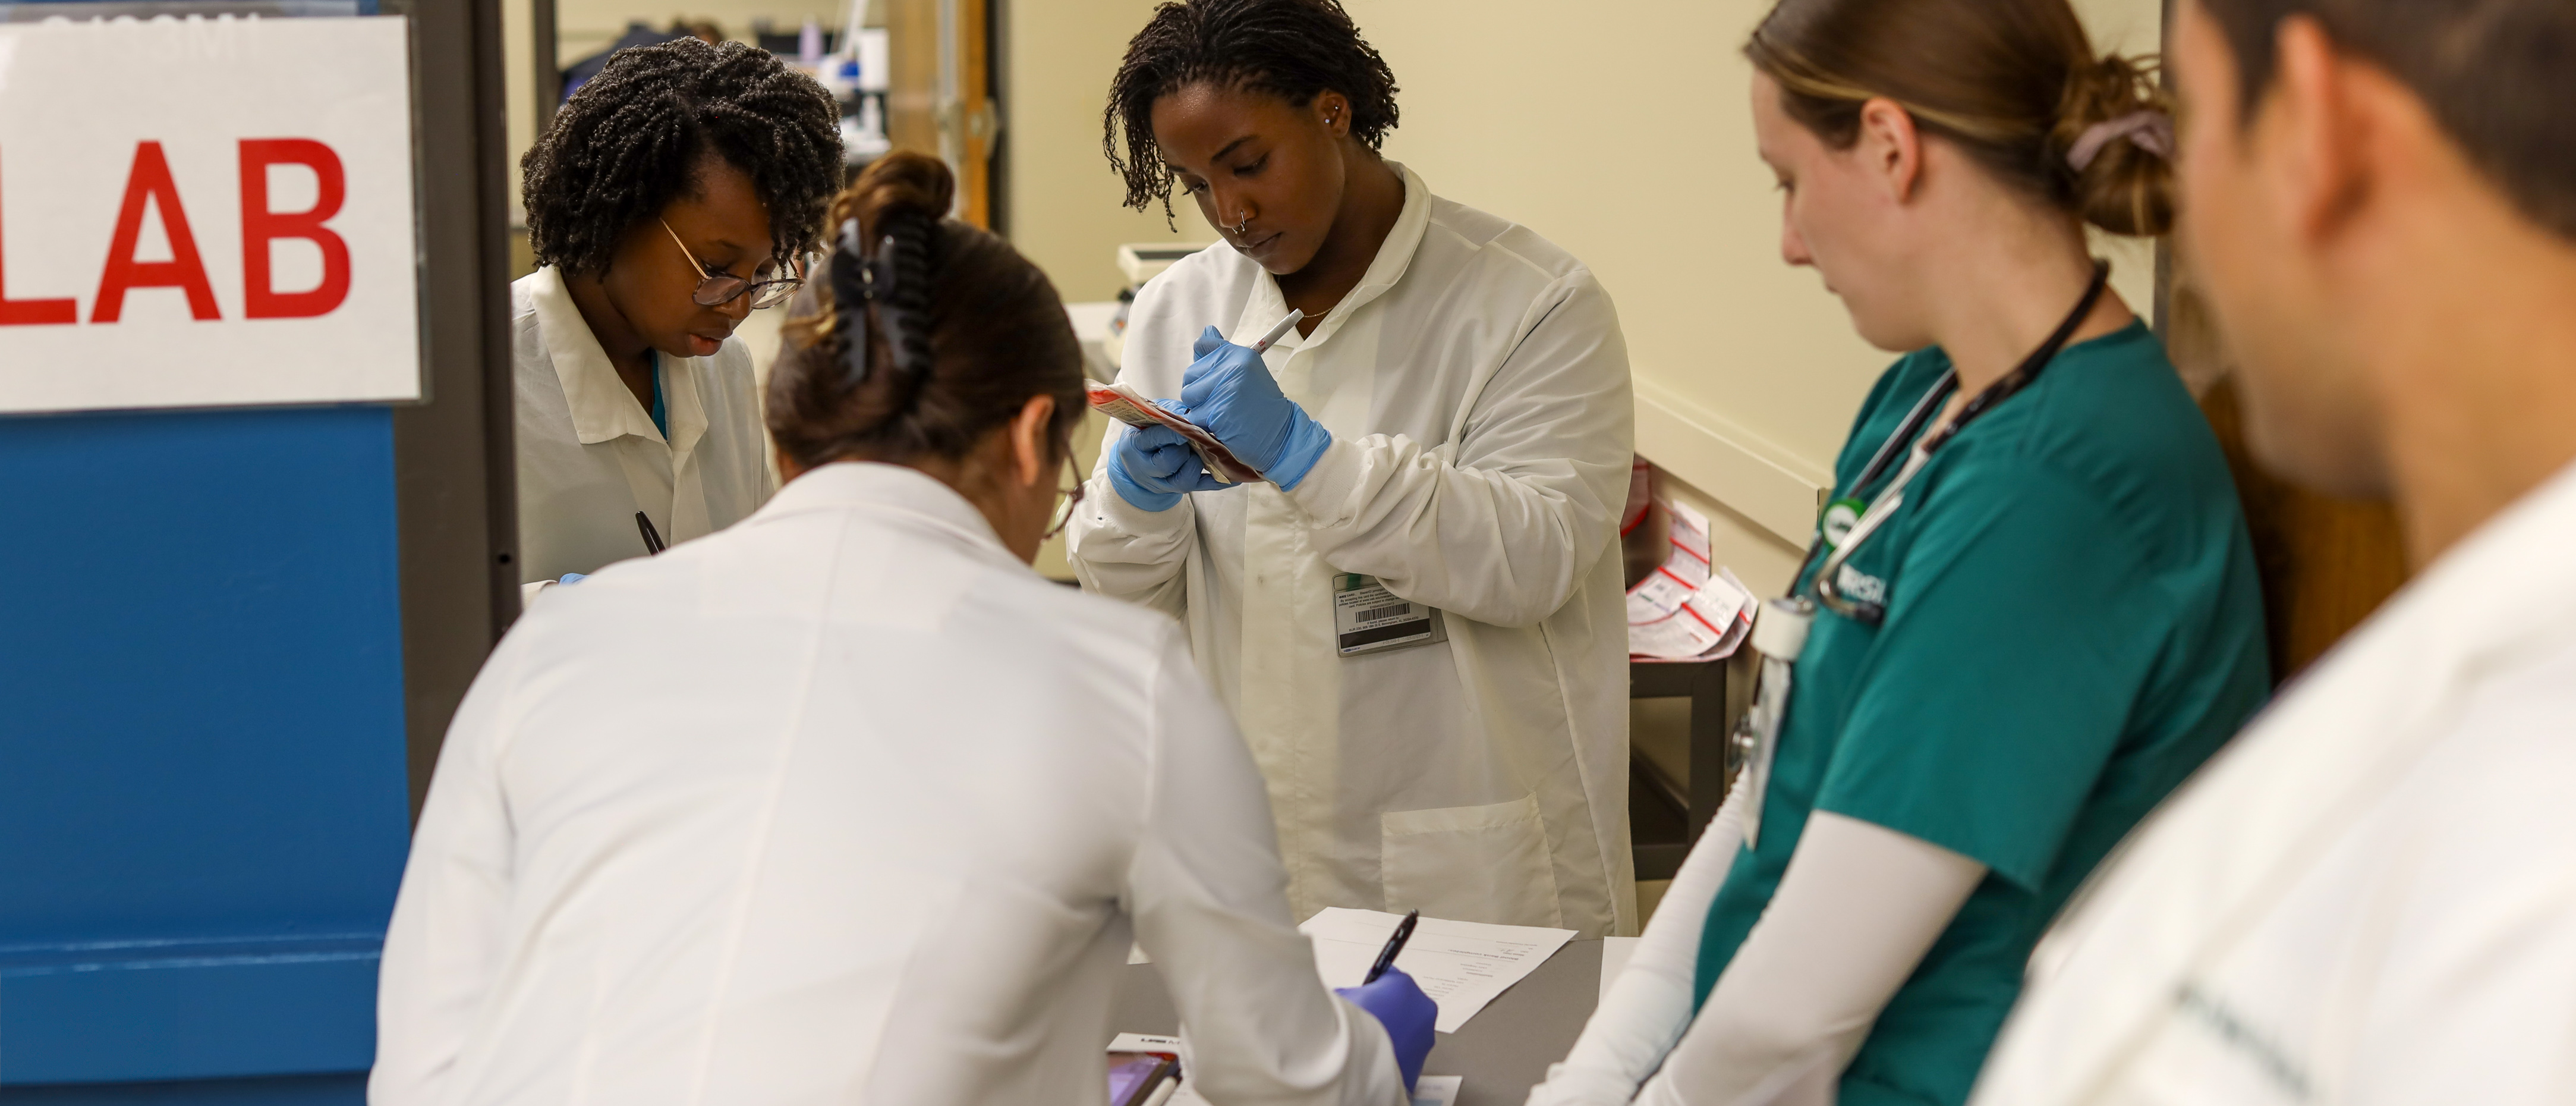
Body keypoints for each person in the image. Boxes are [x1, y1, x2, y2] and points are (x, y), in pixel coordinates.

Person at [371, 152, 1434, 1105]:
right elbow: (1277, 1075)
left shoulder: (551, 648)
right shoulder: (1116, 679)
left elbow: (421, 1067)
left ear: (784, 440)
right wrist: (1375, 1045)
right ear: (1031, 438)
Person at [1529, 1, 2272, 1103]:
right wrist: (1592, 1079)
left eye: (1788, 181)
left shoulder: (2065, 485)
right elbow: (1761, 803)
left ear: (1889, 146)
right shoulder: (1923, 398)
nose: (1788, 242)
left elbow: (1795, 1016)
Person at [1972, 0, 2576, 1101]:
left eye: (2194, 120)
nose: (2183, 213)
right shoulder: (2456, 661)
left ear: (2311, 131)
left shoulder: (2535, 877)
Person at [1067, 0, 1639, 938]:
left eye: (1248, 164)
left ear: (1332, 112)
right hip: (1252, 842)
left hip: (1469, 853)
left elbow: (1536, 558)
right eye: (1198, 184)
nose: (1231, 213)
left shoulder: (1531, 304)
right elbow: (1132, 604)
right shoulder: (1178, 309)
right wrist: (1133, 506)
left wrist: (1310, 462)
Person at [511, 37, 842, 593]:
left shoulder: (726, 368)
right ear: (622, 212)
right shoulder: (486, 385)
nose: (739, 305)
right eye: (716, 267)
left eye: (764, 273)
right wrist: (571, 605)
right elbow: (426, 612)